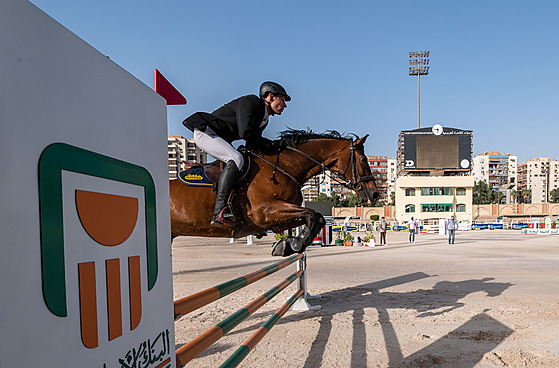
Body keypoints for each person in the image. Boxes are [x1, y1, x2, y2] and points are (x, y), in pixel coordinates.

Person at [182, 81, 291, 227]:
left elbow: (253, 145)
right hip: (206, 132)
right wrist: (272, 143)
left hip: (218, 137)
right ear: (270, 96)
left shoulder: (264, 119)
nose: (284, 105)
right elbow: (245, 132)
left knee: (244, 159)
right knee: (236, 158)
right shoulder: (251, 102)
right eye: (282, 100)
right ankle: (219, 210)